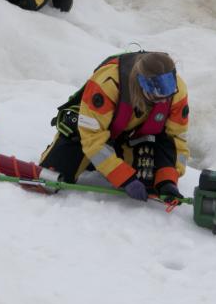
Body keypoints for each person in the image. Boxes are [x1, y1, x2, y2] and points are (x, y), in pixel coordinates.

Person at [39, 51, 190, 201]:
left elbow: (176, 138)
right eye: (157, 96)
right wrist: (125, 178)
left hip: (130, 136)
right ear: (141, 84)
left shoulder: (176, 92)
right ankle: (89, 160)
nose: (164, 101)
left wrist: (169, 180)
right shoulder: (108, 83)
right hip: (89, 130)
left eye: (168, 94)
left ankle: (108, 160)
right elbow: (91, 136)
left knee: (151, 182)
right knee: (55, 175)